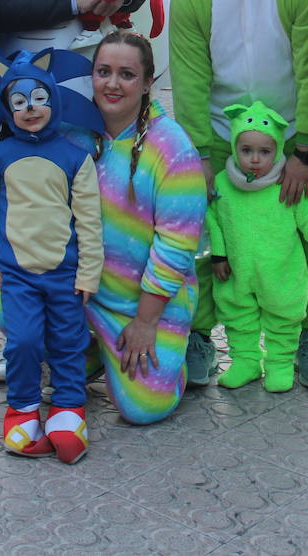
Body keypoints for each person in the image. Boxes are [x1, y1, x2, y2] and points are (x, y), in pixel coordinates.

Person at [169, 0, 308, 390]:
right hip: (220, 137)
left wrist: (305, 149)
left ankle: (307, 333)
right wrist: (200, 155)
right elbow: (188, 78)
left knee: (303, 240)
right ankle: (202, 336)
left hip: (292, 138)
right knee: (208, 242)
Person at [0, 49, 103, 462]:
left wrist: (88, 275)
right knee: (24, 342)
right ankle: (23, 409)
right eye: (18, 101)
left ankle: (68, 410)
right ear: (7, 108)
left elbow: (89, 221)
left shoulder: (74, 157)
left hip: (65, 274)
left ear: (53, 100)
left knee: (68, 343)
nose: (29, 109)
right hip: (19, 276)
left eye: (38, 98)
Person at [86, 31, 207, 424]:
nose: (113, 84)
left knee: (144, 408)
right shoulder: (73, 132)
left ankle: (173, 358)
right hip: (85, 295)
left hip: (150, 304)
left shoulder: (173, 148)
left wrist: (145, 322)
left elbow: (176, 245)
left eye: (127, 74)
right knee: (7, 303)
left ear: (148, 82)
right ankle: (90, 350)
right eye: (103, 72)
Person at [207, 100, 308, 391]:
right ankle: (246, 360)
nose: (255, 159)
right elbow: (212, 219)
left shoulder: (286, 184)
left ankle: (279, 362)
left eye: (264, 151)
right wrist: (218, 255)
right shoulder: (223, 184)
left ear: (277, 149)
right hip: (238, 269)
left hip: (280, 270)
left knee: (283, 316)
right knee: (238, 314)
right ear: (234, 148)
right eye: (246, 150)